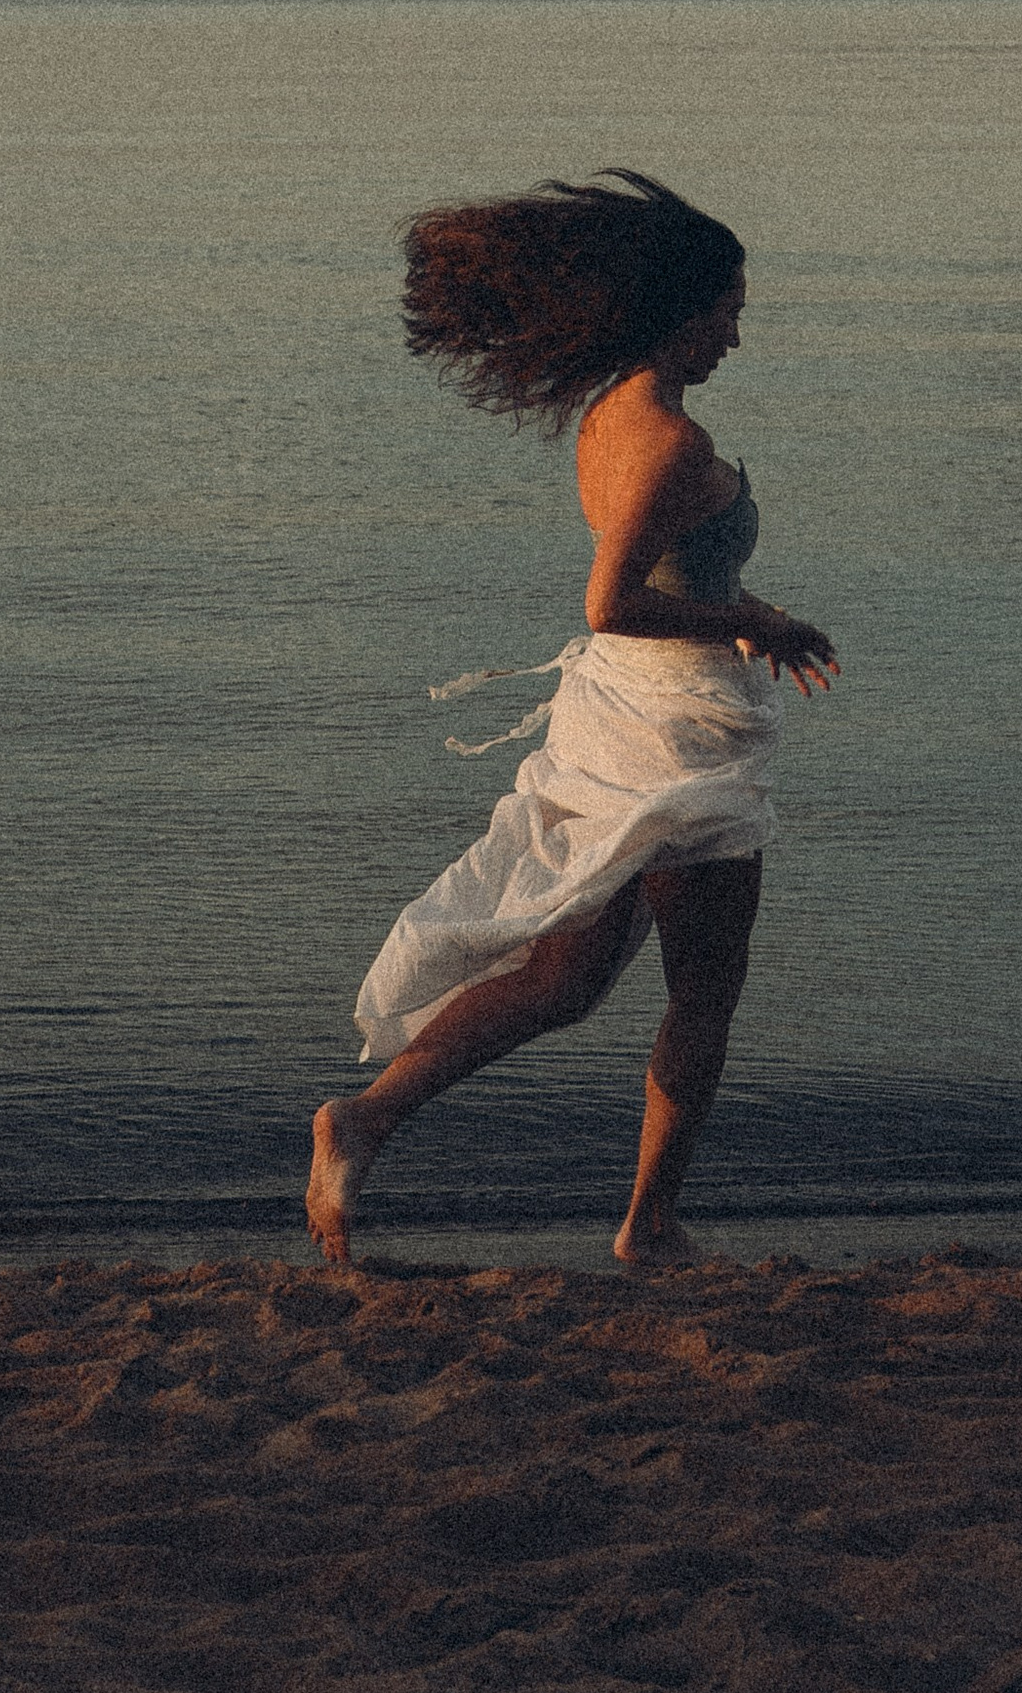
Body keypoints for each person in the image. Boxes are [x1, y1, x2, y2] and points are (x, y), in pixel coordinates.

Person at [307, 170, 835, 1270]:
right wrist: (752, 614)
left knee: (566, 981)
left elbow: (659, 583)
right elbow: (609, 602)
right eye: (726, 311)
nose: (735, 334)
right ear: (676, 310)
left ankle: (365, 1121)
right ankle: (650, 1226)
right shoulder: (670, 444)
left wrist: (748, 617)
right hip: (677, 741)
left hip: (621, 719)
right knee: (703, 993)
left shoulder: (610, 415)